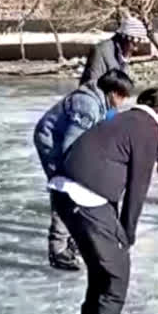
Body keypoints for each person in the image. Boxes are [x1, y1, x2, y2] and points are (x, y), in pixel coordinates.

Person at [49, 88, 158, 314]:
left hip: (64, 191)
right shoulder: (149, 129)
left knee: (101, 266)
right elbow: (137, 188)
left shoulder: (122, 119)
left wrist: (118, 229)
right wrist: (127, 234)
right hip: (85, 195)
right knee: (117, 269)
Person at [33, 69, 134, 271]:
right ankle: (58, 250)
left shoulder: (104, 103)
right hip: (52, 145)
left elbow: (108, 126)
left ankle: (73, 239)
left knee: (77, 189)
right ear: (114, 93)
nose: (123, 102)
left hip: (65, 143)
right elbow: (71, 144)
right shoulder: (86, 105)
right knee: (65, 191)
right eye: (123, 97)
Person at [79, 16, 148, 85]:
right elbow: (91, 84)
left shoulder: (123, 56)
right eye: (134, 44)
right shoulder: (101, 51)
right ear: (124, 38)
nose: (136, 49)